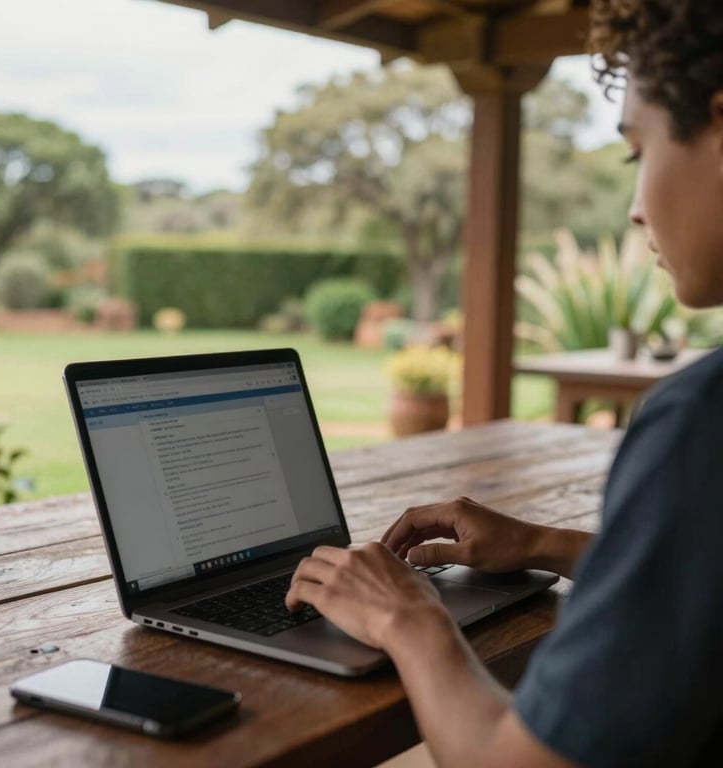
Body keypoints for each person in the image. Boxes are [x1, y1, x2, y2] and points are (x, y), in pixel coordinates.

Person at [285, 1, 723, 765]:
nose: (634, 208)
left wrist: (409, 620)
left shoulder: (703, 421)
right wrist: (543, 544)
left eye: (636, 151)